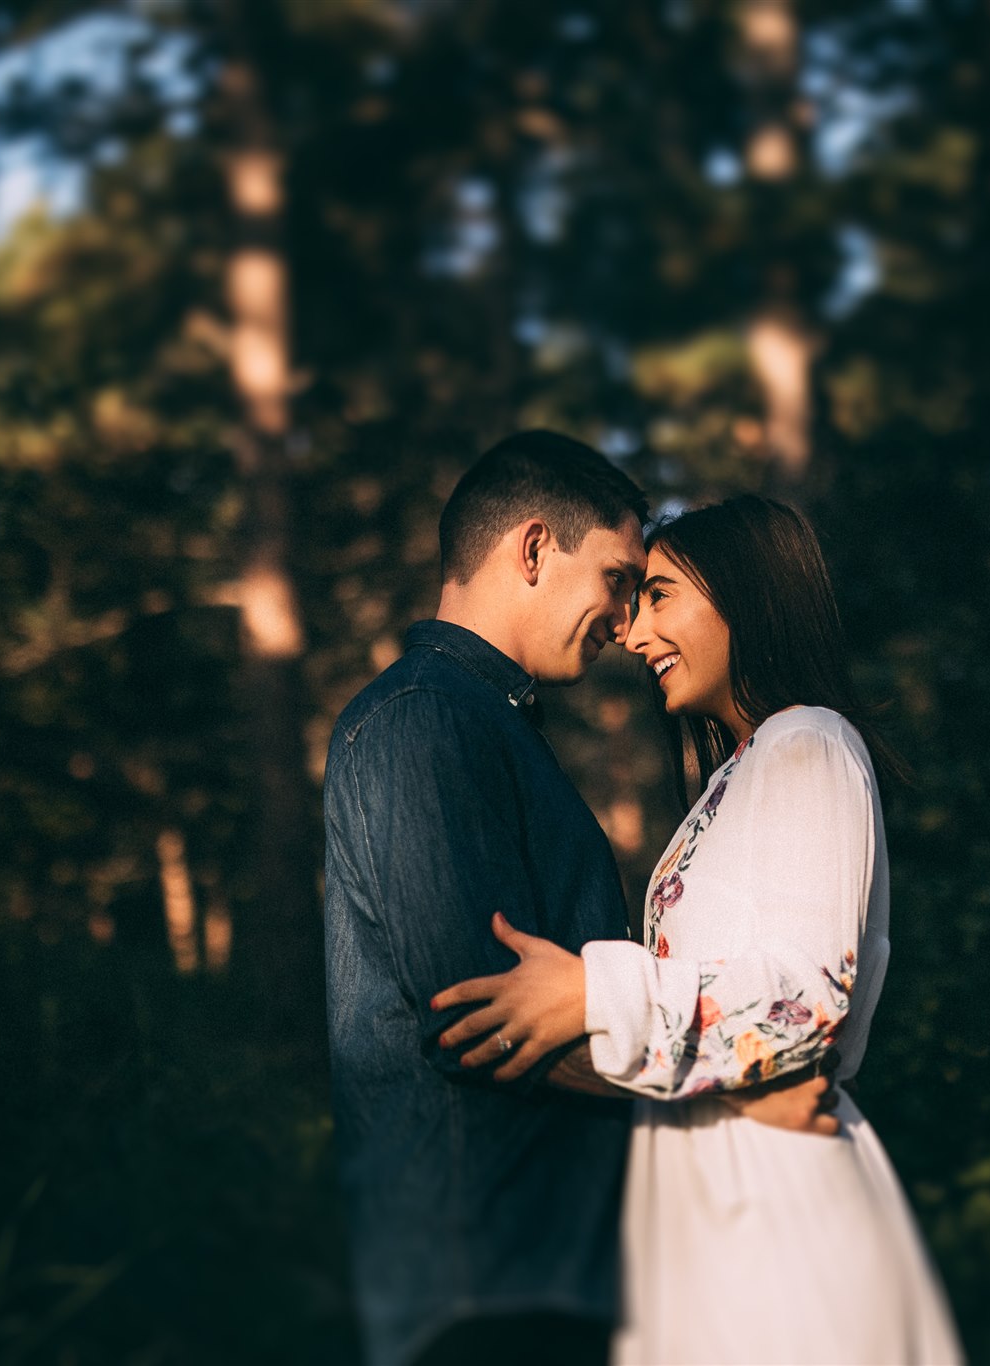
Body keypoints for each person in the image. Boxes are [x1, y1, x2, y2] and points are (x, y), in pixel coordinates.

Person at [322, 435, 833, 1366]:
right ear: (530, 549)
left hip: (534, 1264)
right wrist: (740, 1104)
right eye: (616, 576)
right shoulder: (427, 720)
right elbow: (482, 1016)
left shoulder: (481, 725)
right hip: (489, 1272)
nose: (625, 620)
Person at [433, 495, 967, 1364]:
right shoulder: (739, 775)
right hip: (707, 1193)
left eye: (661, 596)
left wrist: (589, 991)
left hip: (771, 1201)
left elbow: (805, 1000)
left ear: (747, 598)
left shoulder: (809, 744)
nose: (636, 635)